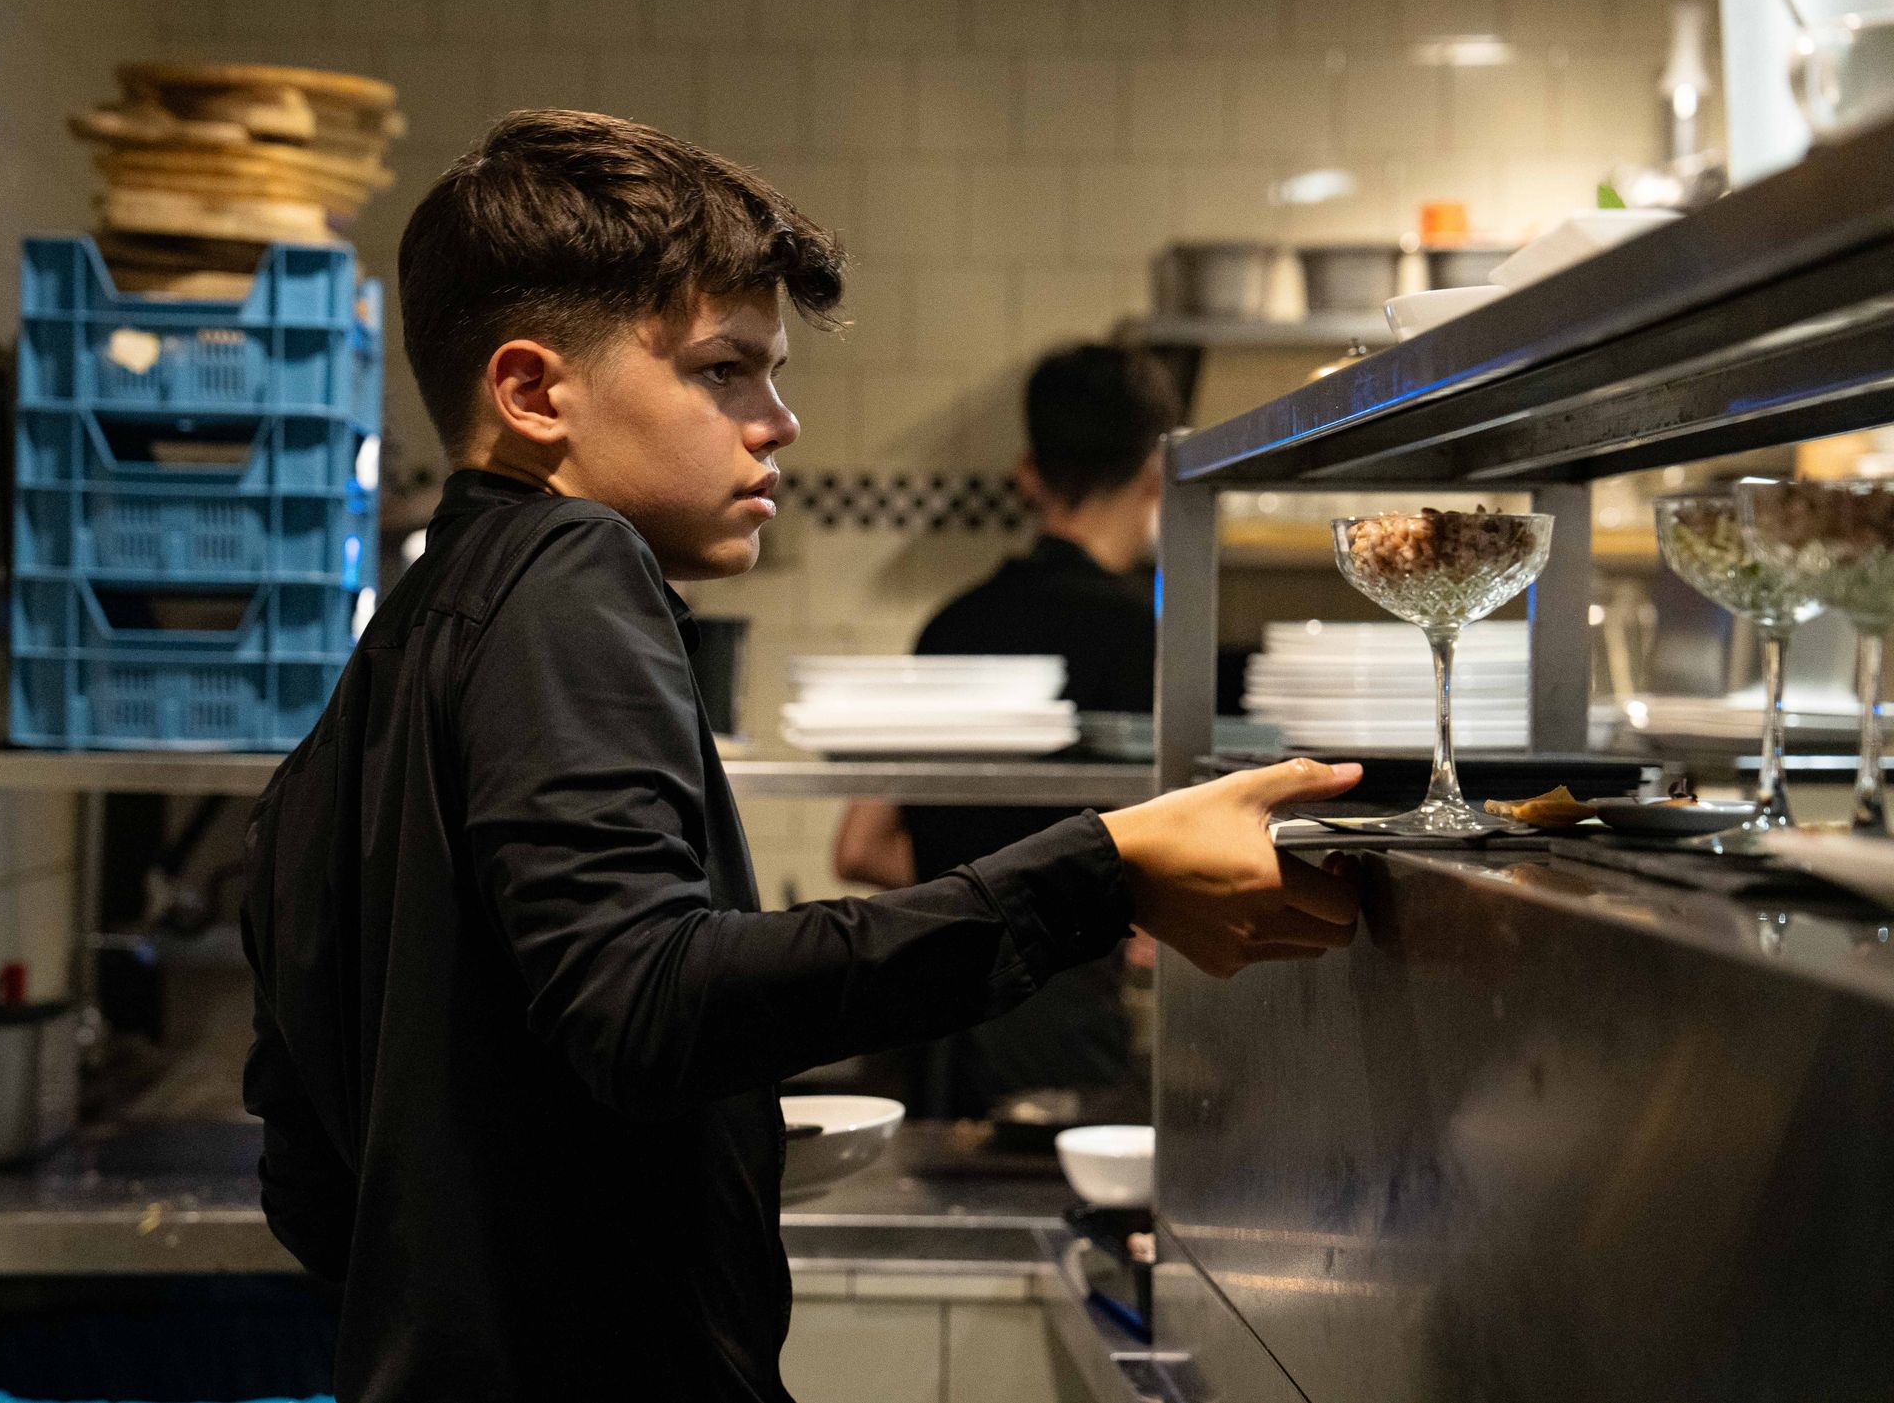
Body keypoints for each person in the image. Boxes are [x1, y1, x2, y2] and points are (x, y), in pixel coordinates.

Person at [240, 110, 1363, 1403]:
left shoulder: (389, 659)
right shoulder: (572, 566)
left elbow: (312, 1179)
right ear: (533, 391)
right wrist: (1102, 872)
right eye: (726, 370)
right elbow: (645, 999)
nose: (777, 420)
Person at [834, 343, 1176, 1119]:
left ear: (1030, 472)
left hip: (932, 1022)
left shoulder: (951, 624)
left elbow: (859, 847)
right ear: (1157, 475)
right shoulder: (1146, 640)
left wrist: (972, 888)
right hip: (1062, 1031)